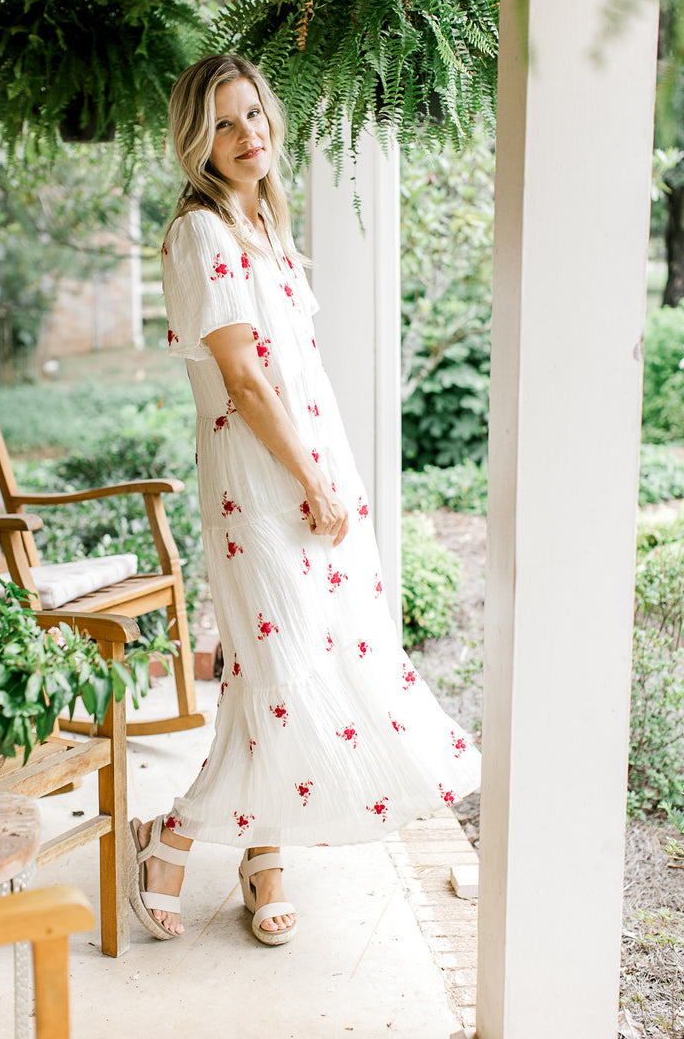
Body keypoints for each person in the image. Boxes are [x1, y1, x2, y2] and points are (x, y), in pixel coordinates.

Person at [128, 54, 481, 947]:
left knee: (280, 673)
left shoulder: (265, 228)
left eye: (256, 115)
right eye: (225, 123)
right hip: (262, 478)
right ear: (196, 140)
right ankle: (175, 837)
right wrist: (313, 481)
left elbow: (298, 370)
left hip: (312, 467)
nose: (250, 136)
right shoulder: (203, 233)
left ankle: (258, 857)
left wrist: (331, 476)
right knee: (283, 666)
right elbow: (245, 381)